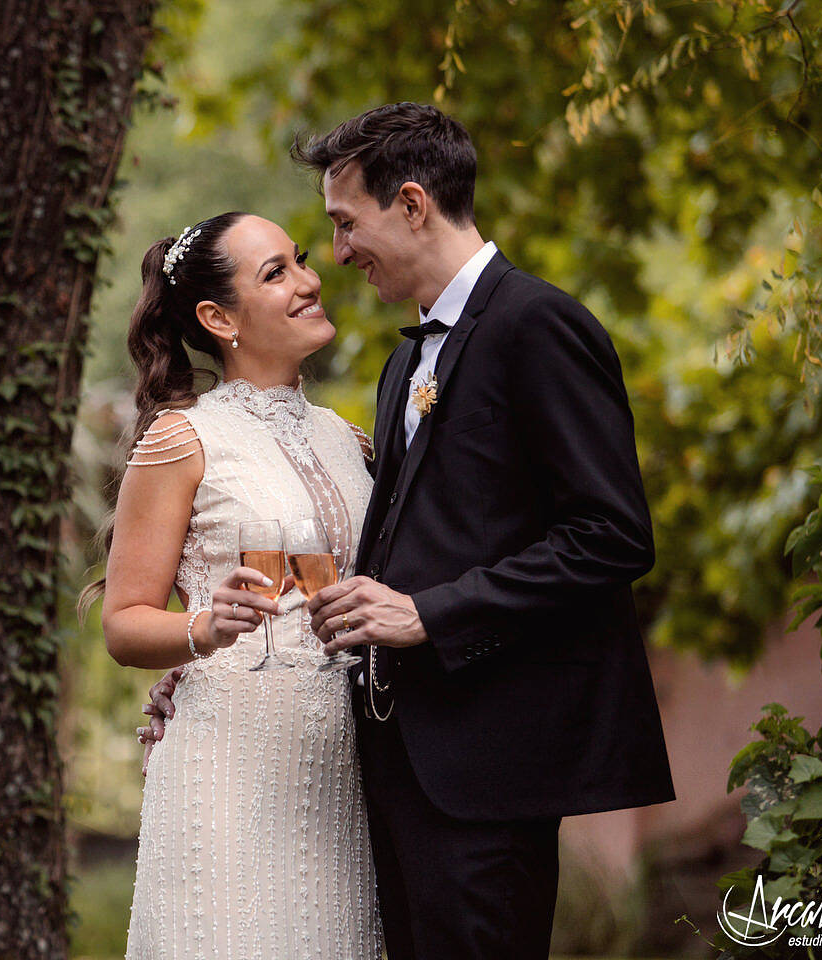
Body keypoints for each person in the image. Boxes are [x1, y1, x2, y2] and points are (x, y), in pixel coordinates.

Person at [140, 103, 675, 960]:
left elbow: (612, 536)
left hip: (492, 764)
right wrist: (212, 667)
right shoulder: (402, 367)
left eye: (344, 225)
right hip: (389, 773)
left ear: (414, 205)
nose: (338, 256)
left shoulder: (537, 324)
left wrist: (431, 613)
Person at [92, 210, 384, 958]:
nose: (311, 281)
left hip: (342, 775)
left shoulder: (350, 440)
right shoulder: (183, 438)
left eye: (302, 260)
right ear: (218, 318)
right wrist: (204, 629)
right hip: (228, 771)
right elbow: (124, 623)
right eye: (276, 272)